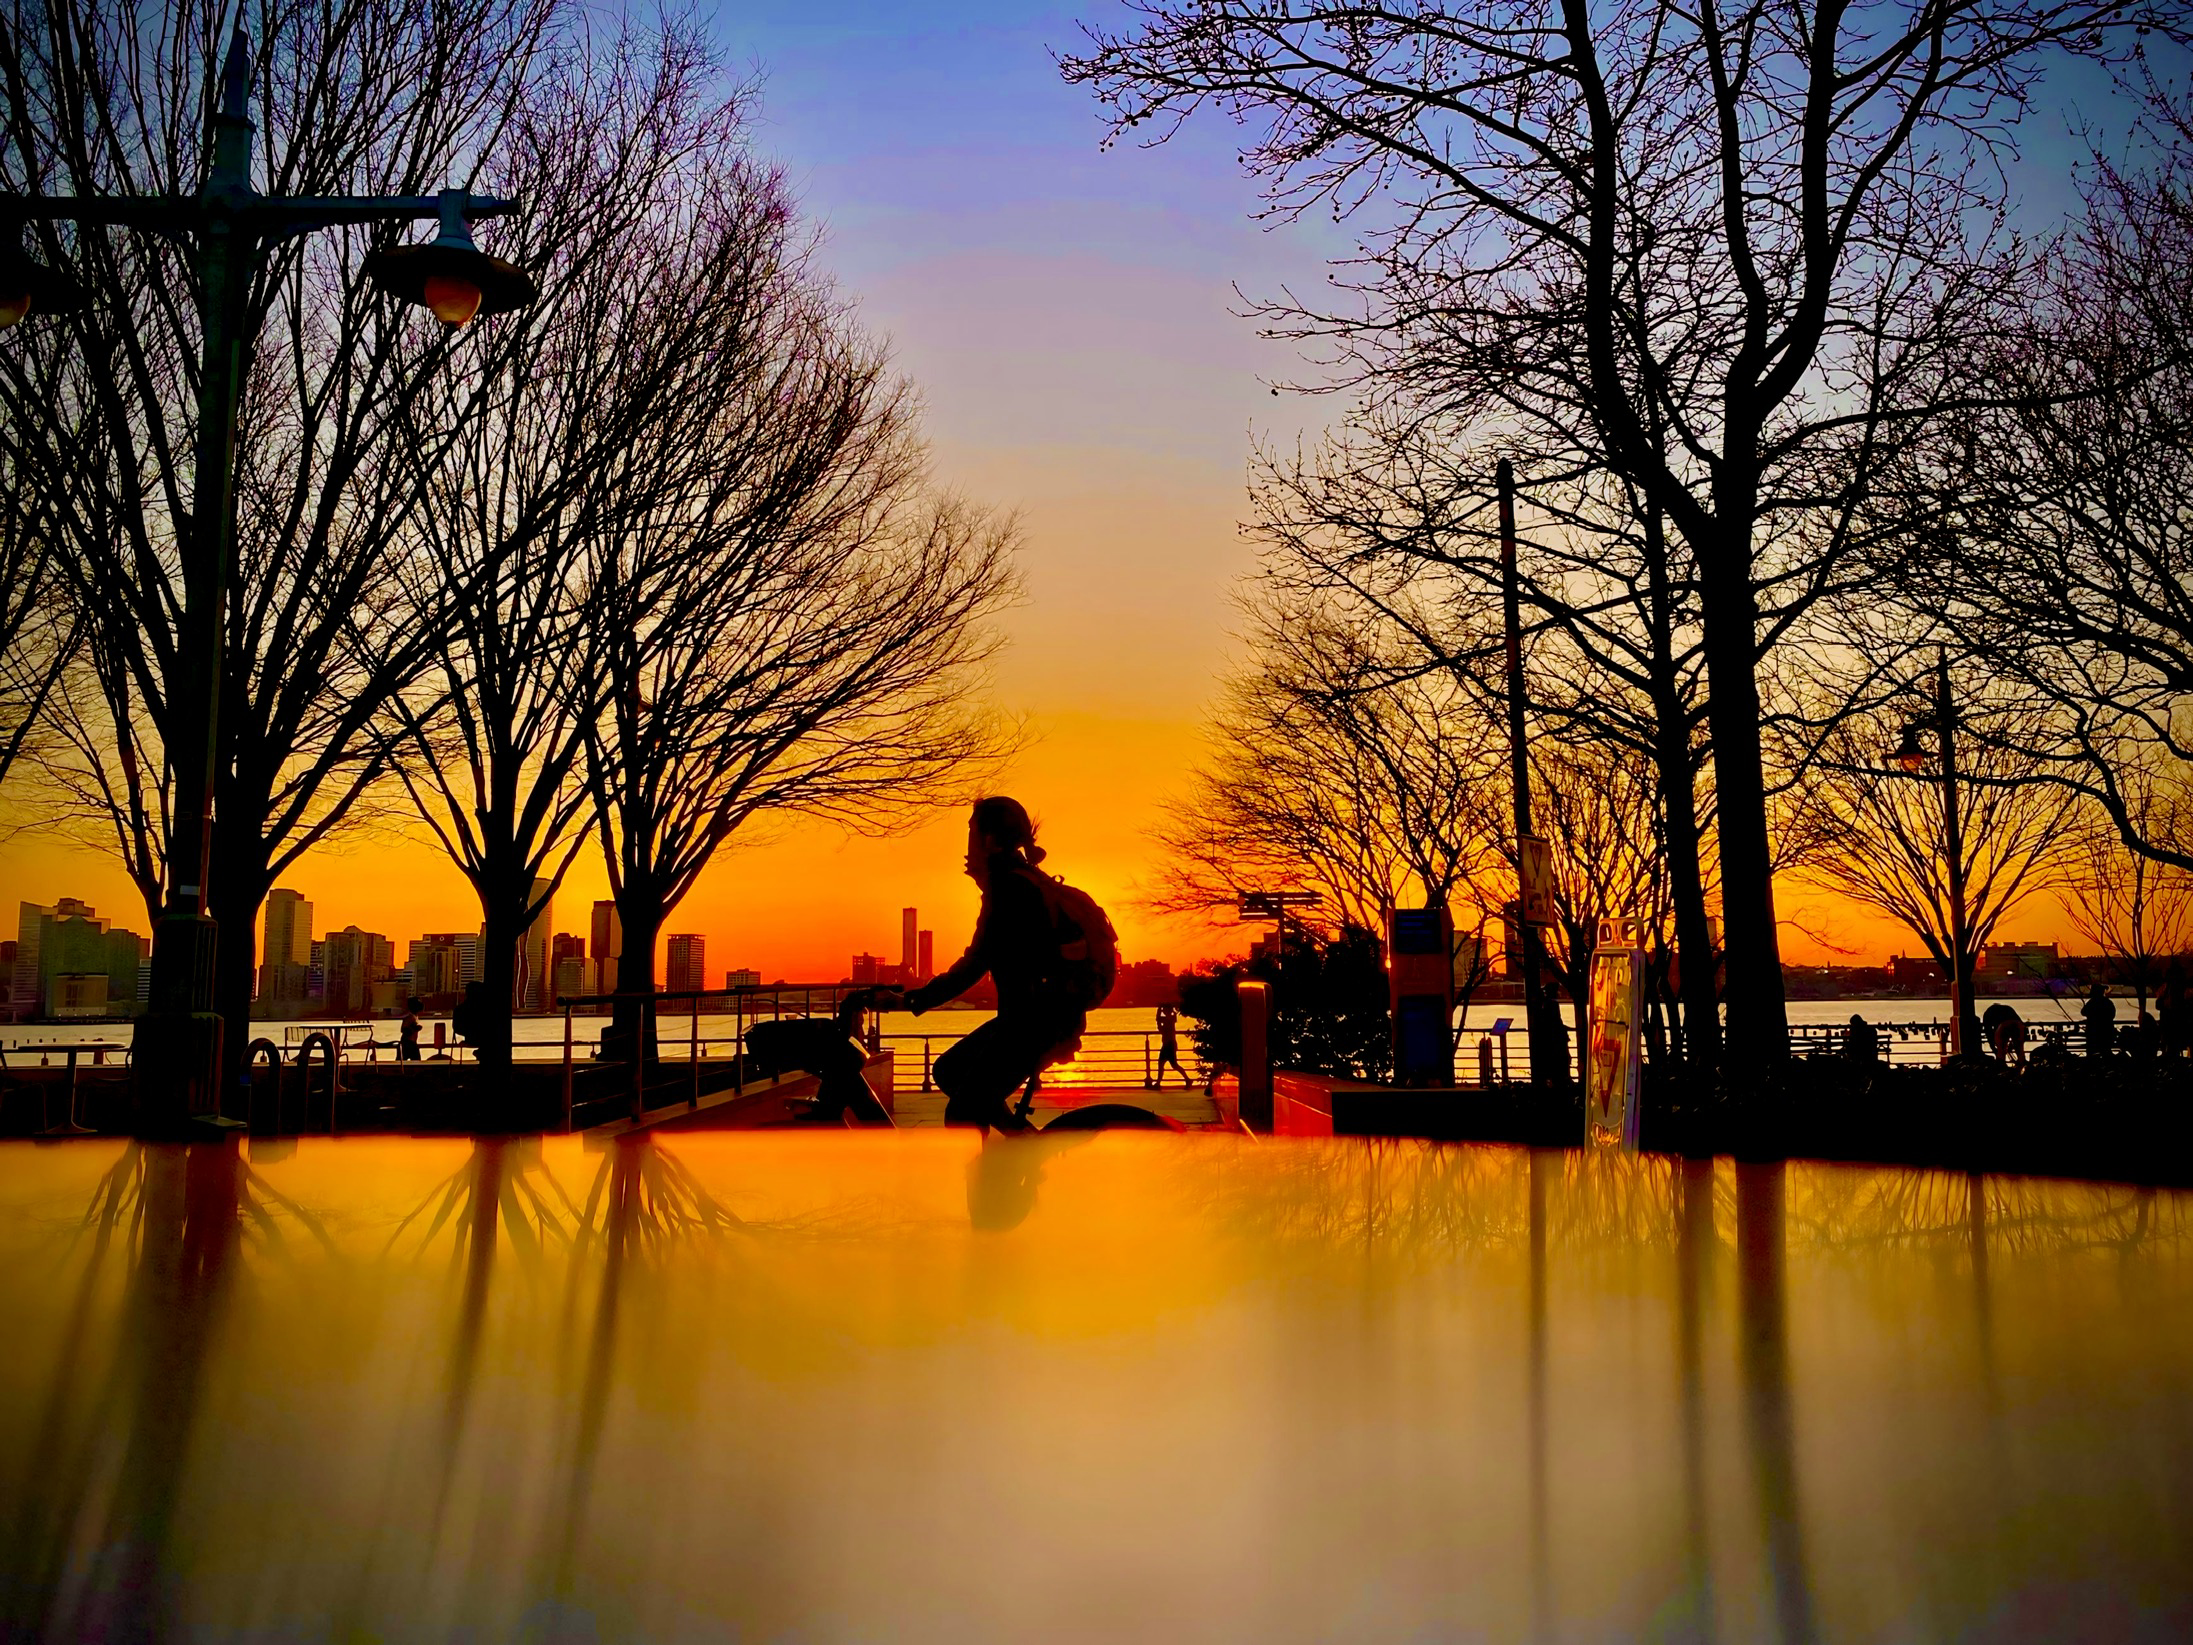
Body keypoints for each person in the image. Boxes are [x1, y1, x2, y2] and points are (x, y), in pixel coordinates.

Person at [898, 797, 1090, 1131]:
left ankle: (1000, 1171)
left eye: (971, 833)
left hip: (1033, 1024)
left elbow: (975, 964)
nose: (966, 846)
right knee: (949, 1072)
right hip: (1039, 1019)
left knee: (961, 1113)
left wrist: (914, 1000)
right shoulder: (1023, 879)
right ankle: (1022, 1144)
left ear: (988, 840)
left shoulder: (1010, 887)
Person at [1153, 1002, 1194, 1090]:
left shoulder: (1171, 1018)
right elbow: (1159, 1020)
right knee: (1162, 1064)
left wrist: (1160, 1010)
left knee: (1173, 1065)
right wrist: (1159, 1010)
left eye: (1165, 1010)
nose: (1164, 1011)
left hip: (1169, 1045)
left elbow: (1159, 1019)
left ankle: (1187, 1080)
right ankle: (1158, 1083)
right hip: (1166, 1044)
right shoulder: (1168, 1019)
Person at [1981, 1001, 2027, 1067]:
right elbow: (2020, 1024)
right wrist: (2013, 1044)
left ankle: (2001, 1066)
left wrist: (1993, 1047)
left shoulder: (1988, 1013)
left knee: (2001, 1050)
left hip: (2003, 1025)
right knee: (2019, 1049)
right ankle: (2022, 1066)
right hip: (2018, 1024)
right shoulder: (2008, 1008)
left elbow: (1988, 1031)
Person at [2160, 961, 2188, 1058]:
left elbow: (2160, 1004)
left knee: (2171, 1046)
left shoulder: (2169, 988)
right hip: (2174, 1023)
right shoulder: (2180, 988)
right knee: (2173, 1047)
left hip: (2170, 1023)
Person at [2082, 982, 2117, 1059]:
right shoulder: (2108, 1002)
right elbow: (2112, 1014)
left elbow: (2083, 1012)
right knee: (2106, 1052)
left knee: (2092, 1053)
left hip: (2093, 1033)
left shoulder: (2092, 1002)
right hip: (2106, 1032)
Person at [398, 997, 423, 1062]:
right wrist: (414, 1028)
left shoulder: (414, 1016)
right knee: (415, 1061)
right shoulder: (409, 1017)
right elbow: (403, 1029)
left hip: (412, 1042)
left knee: (416, 1061)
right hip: (407, 1043)